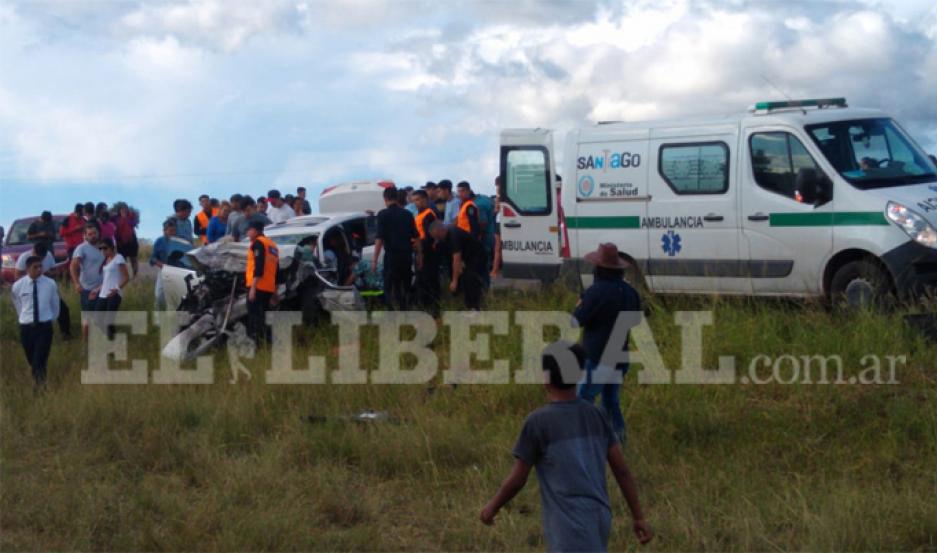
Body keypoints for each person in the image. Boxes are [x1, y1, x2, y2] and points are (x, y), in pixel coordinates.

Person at [479, 341, 652, 551]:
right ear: (580, 374)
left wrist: (491, 507)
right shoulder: (596, 415)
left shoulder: (538, 422)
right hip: (600, 516)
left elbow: (518, 479)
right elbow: (622, 470)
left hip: (569, 523)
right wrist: (638, 517)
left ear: (545, 378)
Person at [573, 243, 642, 444]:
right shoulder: (630, 292)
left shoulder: (595, 292)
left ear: (599, 268)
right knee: (611, 401)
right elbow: (636, 320)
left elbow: (575, 321)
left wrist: (581, 304)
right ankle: (617, 441)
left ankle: (584, 441)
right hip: (620, 357)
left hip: (597, 356)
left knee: (583, 399)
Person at [11, 256, 61, 387]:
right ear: (27, 269)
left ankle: (40, 387)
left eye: (40, 266)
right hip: (26, 327)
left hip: (44, 326)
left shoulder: (50, 284)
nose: (39, 269)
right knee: (32, 359)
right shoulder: (18, 286)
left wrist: (50, 319)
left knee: (39, 358)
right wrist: (24, 318)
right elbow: (18, 304)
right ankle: (40, 380)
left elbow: (55, 304)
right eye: (35, 267)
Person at [372, 187, 418, 310]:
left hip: (391, 257)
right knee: (405, 285)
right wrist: (420, 256)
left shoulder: (382, 215)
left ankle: (392, 312)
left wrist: (374, 260)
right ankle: (405, 309)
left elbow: (379, 238)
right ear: (397, 198)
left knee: (390, 286)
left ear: (385, 199)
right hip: (406, 256)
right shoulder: (408, 214)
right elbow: (416, 237)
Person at [15, 243, 71, 340]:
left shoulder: (48, 255)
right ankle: (30, 333)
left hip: (45, 287)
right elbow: (17, 276)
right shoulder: (24, 257)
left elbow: (53, 269)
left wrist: (52, 273)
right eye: (39, 257)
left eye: (42, 258)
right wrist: (34, 275)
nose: (41, 259)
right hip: (31, 288)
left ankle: (65, 333)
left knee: (63, 309)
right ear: (33, 252)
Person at [429, 221, 484, 311]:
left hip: (475, 256)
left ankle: (474, 307)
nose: (437, 239)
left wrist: (454, 281)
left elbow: (456, 258)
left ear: (441, 230)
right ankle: (463, 304)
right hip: (464, 256)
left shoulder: (454, 235)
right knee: (461, 278)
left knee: (470, 279)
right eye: (435, 237)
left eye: (437, 236)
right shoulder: (444, 237)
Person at [245, 220, 279, 345]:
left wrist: (253, 288)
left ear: (256, 231)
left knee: (254, 317)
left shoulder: (258, 243)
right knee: (265, 316)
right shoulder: (272, 246)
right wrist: (275, 291)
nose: (248, 233)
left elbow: (259, 267)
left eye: (249, 230)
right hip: (268, 287)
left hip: (257, 286)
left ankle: (257, 344)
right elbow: (277, 270)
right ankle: (269, 343)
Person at [89, 239, 128, 340]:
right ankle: (112, 337)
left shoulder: (119, 258)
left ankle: (111, 340)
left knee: (108, 320)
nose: (103, 251)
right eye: (100, 248)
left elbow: (126, 277)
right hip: (103, 293)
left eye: (105, 248)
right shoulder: (106, 260)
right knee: (97, 318)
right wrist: (96, 290)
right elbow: (106, 280)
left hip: (114, 294)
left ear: (112, 247)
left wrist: (116, 289)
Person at [150, 219, 193, 309]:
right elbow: (152, 258)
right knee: (159, 296)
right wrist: (162, 265)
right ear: (164, 230)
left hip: (178, 271)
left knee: (178, 297)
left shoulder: (180, 242)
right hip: (163, 271)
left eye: (174, 230)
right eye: (170, 230)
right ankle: (157, 316)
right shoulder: (159, 241)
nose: (173, 233)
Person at [411, 190, 440, 316]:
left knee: (430, 281)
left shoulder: (429, 215)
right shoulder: (419, 215)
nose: (416, 203)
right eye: (414, 201)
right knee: (422, 281)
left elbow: (430, 237)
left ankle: (434, 310)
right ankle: (424, 307)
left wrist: (418, 245)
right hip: (420, 251)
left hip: (428, 253)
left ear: (425, 199)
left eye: (418, 200)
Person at [70, 222, 105, 326]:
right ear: (85, 235)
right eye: (90, 234)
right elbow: (73, 266)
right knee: (87, 317)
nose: (93, 236)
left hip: (103, 287)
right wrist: (77, 284)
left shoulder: (104, 247)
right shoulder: (81, 248)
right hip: (87, 288)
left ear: (98, 233)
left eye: (94, 233)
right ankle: (86, 336)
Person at [114, 203, 140, 277]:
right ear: (119, 210)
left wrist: (126, 218)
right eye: (122, 209)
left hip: (131, 240)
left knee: (133, 258)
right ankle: (124, 276)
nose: (124, 211)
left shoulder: (131, 216)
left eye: (125, 209)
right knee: (122, 260)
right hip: (121, 241)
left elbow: (134, 223)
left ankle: (135, 276)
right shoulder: (116, 218)